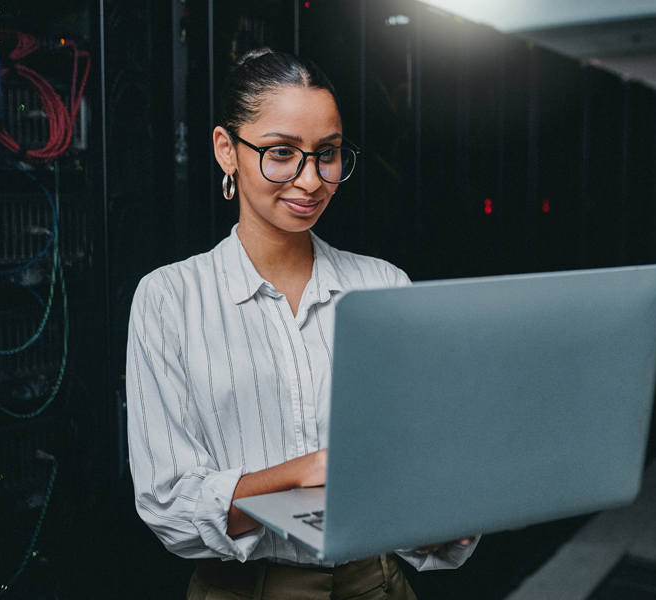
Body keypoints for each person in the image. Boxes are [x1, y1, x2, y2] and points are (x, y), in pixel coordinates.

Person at [126, 48, 478, 600]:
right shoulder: (170, 298)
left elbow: (416, 474)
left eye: (328, 154)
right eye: (282, 153)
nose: (311, 181)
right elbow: (168, 504)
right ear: (227, 150)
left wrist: (461, 511)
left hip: (376, 584)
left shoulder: (385, 287)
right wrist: (297, 476)